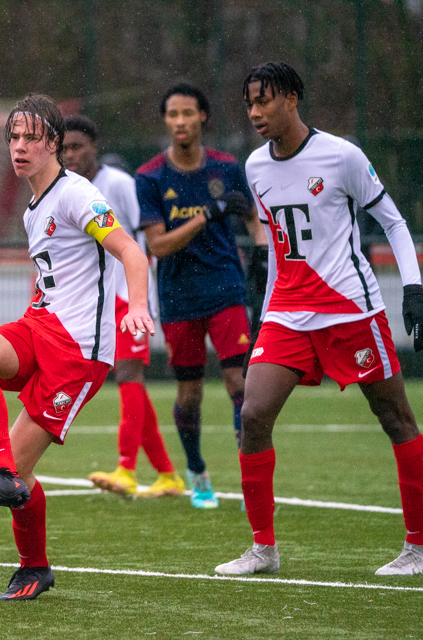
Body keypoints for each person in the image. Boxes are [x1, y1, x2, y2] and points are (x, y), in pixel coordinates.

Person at [215, 62, 423, 576]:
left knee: (395, 418)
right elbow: (278, 251)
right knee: (252, 416)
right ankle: (263, 549)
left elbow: (394, 221)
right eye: (249, 103)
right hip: (288, 315)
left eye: (263, 101)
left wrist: (414, 289)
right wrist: (263, 317)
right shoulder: (254, 167)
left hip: (351, 312)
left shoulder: (342, 156)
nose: (254, 112)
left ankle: (419, 548)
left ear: (291, 99)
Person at [0, 95, 156, 601]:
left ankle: (33, 566)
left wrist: (137, 307)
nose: (19, 148)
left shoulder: (76, 195)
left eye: (30, 138)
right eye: (13, 138)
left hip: (79, 351)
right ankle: (4, 477)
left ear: (54, 145)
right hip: (40, 326)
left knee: (21, 473)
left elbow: (130, 250)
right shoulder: (33, 209)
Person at [136, 83, 267, 509]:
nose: (179, 122)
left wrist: (263, 250)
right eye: (172, 114)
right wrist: (207, 216)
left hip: (226, 288)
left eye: (187, 113)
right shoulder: (150, 176)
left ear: (202, 117)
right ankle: (196, 471)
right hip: (178, 296)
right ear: (165, 120)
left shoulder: (229, 168)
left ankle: (251, 480)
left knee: (238, 383)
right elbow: (157, 246)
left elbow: (252, 217)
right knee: (189, 394)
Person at [62, 114, 183, 499]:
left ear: (94, 146)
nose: (70, 155)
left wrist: (143, 297)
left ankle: (127, 469)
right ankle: (167, 475)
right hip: (98, 300)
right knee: (130, 382)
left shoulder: (120, 185)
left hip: (129, 298)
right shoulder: (66, 188)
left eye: (77, 147)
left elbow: (146, 238)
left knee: (128, 375)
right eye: (63, 149)